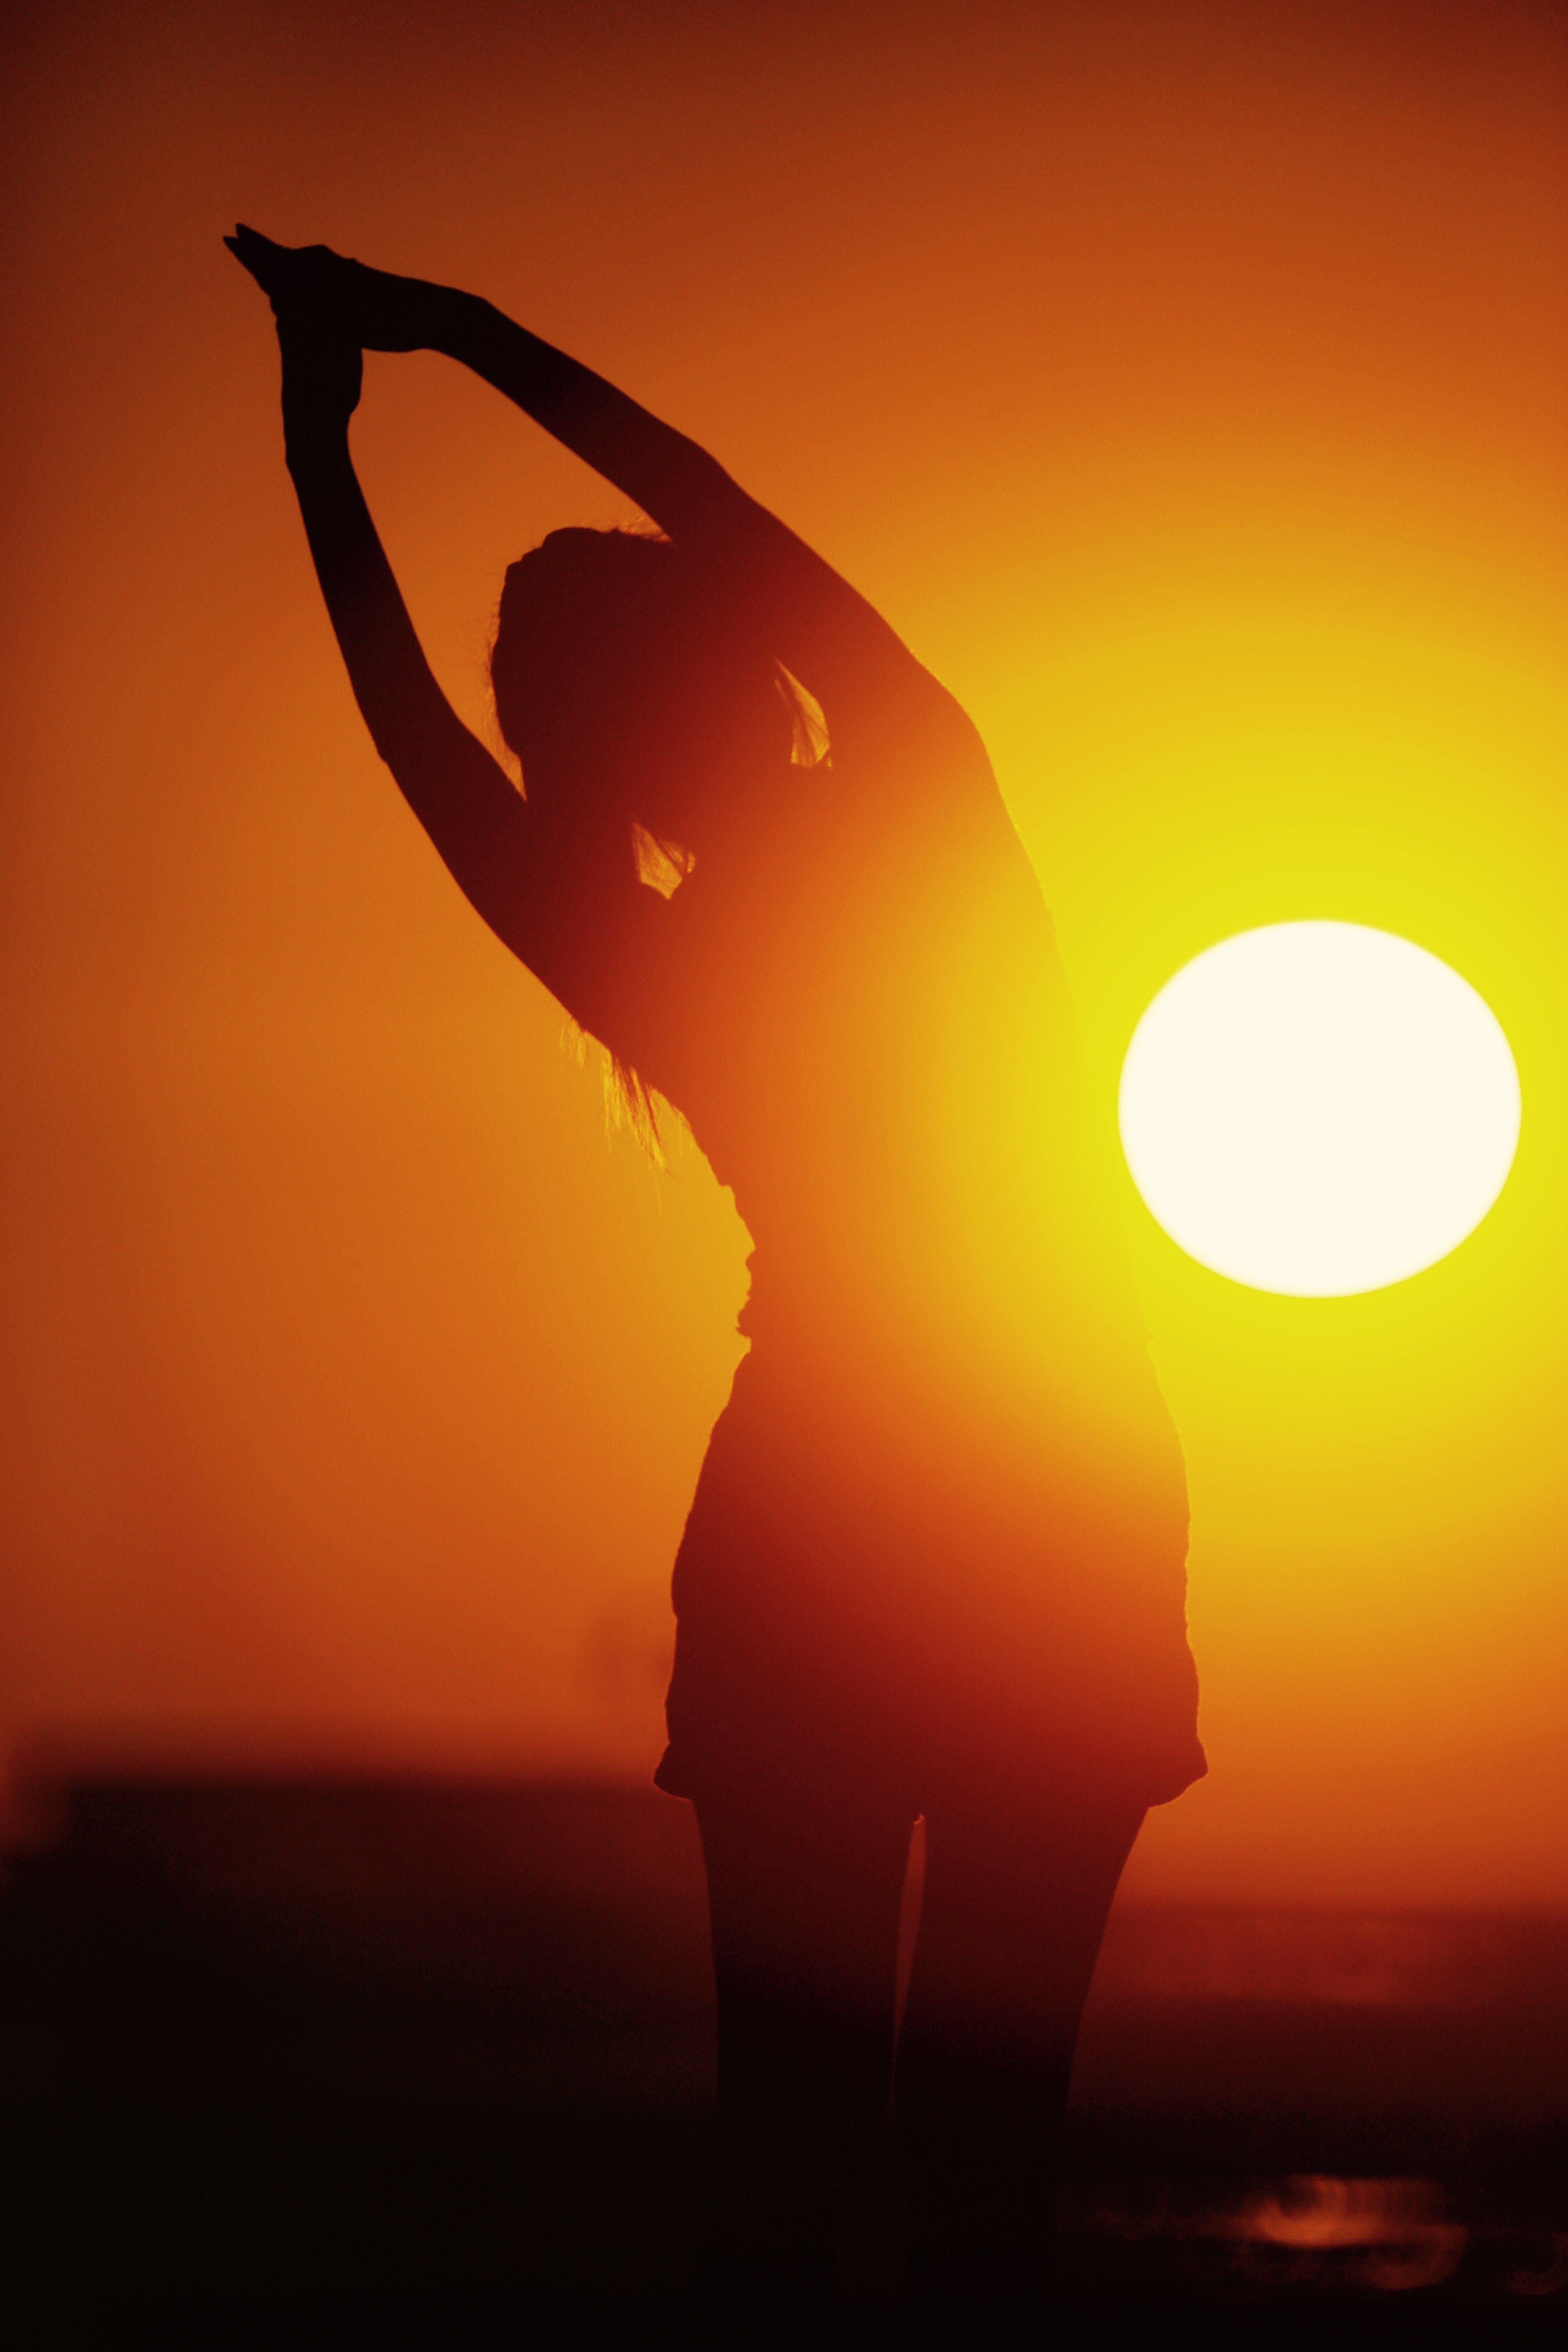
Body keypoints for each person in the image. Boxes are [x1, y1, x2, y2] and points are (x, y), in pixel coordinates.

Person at [226, 225, 1206, 2306]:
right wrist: (457, 340)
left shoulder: (643, 952)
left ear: (583, 748)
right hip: (1056, 1499)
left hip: (837, 1520)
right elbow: (713, 502)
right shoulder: (926, 797)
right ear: (729, 669)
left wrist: (322, 436)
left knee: (798, 2151)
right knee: (980, 2178)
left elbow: (411, 732)